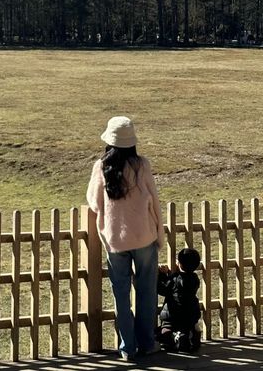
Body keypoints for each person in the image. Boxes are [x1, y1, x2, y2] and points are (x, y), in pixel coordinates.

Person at [86, 115, 164, 361]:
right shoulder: (142, 165)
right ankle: (147, 343)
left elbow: (94, 202)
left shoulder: (101, 167)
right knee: (146, 292)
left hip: (115, 241)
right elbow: (154, 203)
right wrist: (160, 234)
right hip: (144, 237)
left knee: (120, 295)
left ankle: (127, 347)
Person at [157, 247, 202, 353]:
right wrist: (169, 274)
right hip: (189, 315)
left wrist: (162, 275)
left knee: (163, 332)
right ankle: (190, 335)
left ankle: (175, 338)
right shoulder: (195, 279)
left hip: (173, 317)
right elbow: (177, 285)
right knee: (186, 327)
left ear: (180, 264)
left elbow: (163, 289)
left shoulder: (175, 279)